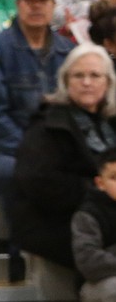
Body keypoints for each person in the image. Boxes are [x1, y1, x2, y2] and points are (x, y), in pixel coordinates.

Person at [0, 0, 76, 280]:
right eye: (28, 1)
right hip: (5, 149)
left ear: (53, 6)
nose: (36, 7)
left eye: (42, 1)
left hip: (56, 147)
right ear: (17, 6)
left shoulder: (68, 52)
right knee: (17, 173)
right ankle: (18, 249)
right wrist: (33, 151)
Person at [13, 43, 116, 270]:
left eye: (95, 75)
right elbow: (39, 181)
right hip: (62, 223)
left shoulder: (112, 120)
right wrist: (98, 192)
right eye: (78, 75)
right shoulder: (48, 124)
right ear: (66, 81)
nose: (86, 82)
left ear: (108, 82)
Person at [72, 144, 116, 302]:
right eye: (115, 178)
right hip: (97, 287)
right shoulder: (88, 214)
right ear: (100, 182)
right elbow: (89, 262)